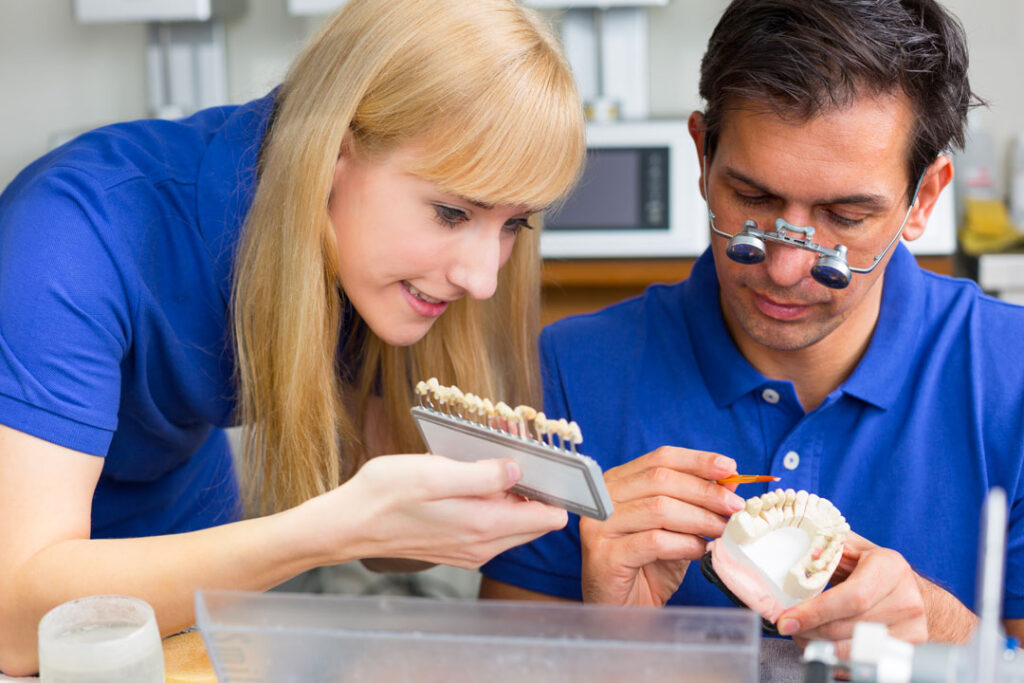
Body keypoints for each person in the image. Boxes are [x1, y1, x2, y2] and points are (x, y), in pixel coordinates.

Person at [0, 0, 584, 675]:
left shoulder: (371, 266)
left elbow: (386, 543)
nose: (482, 278)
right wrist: (325, 531)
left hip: (179, 509)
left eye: (515, 225)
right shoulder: (69, 235)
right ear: (335, 154)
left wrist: (528, 509)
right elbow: (18, 621)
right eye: (452, 212)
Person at [479, 0, 1024, 657]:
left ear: (925, 198)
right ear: (703, 157)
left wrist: (946, 635)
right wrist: (615, 639)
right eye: (755, 199)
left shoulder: (1011, 377)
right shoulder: (569, 377)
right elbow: (501, 664)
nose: (787, 267)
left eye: (846, 216)